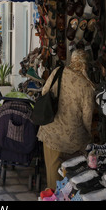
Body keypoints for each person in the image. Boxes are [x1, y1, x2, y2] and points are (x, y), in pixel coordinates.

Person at [37, 49, 95, 189]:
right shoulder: (87, 86)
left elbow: (44, 92)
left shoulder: (58, 71)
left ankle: (53, 195)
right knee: (74, 175)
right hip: (74, 140)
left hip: (51, 132)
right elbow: (87, 117)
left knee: (53, 173)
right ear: (85, 64)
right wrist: (88, 135)